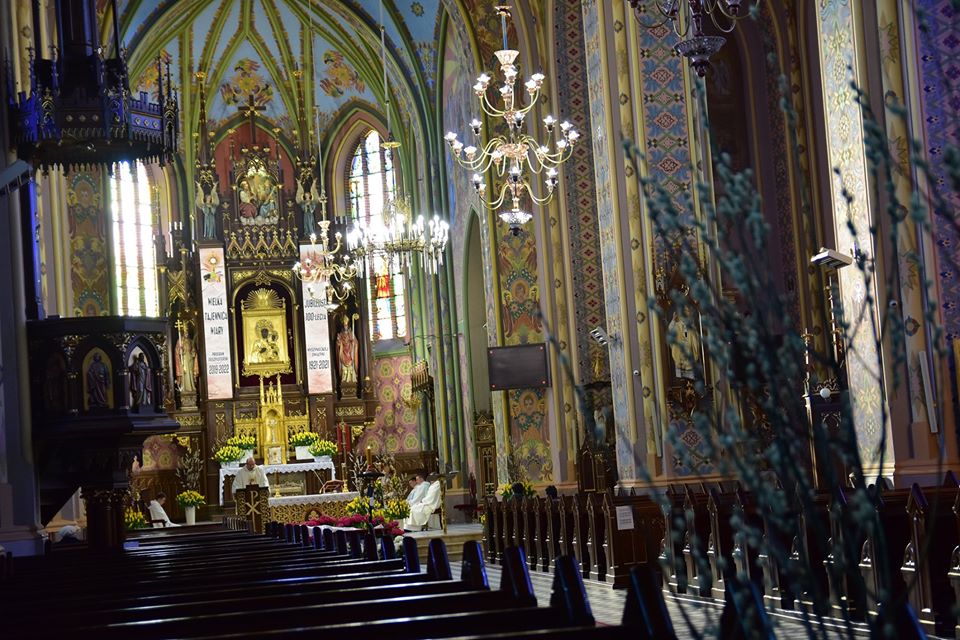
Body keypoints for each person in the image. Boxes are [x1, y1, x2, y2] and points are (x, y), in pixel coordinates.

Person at [336, 314, 358, 384]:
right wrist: (339, 342)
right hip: (343, 353)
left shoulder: (351, 333)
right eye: (344, 325)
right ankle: (344, 379)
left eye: (346, 325)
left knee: (351, 367)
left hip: (350, 352)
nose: (345, 326)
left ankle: (352, 379)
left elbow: (355, 343)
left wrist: (353, 342)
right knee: (344, 368)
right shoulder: (340, 334)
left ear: (348, 326)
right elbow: (338, 344)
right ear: (343, 326)